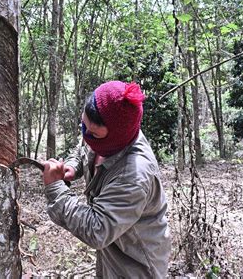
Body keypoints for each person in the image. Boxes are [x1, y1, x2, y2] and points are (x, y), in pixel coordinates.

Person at [42, 80, 171, 278]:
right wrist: (72, 166)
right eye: (82, 126)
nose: (86, 136)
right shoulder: (103, 135)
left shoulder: (133, 175)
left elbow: (97, 229)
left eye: (92, 133)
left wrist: (56, 189)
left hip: (136, 265)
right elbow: (83, 147)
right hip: (113, 252)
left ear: (115, 137)